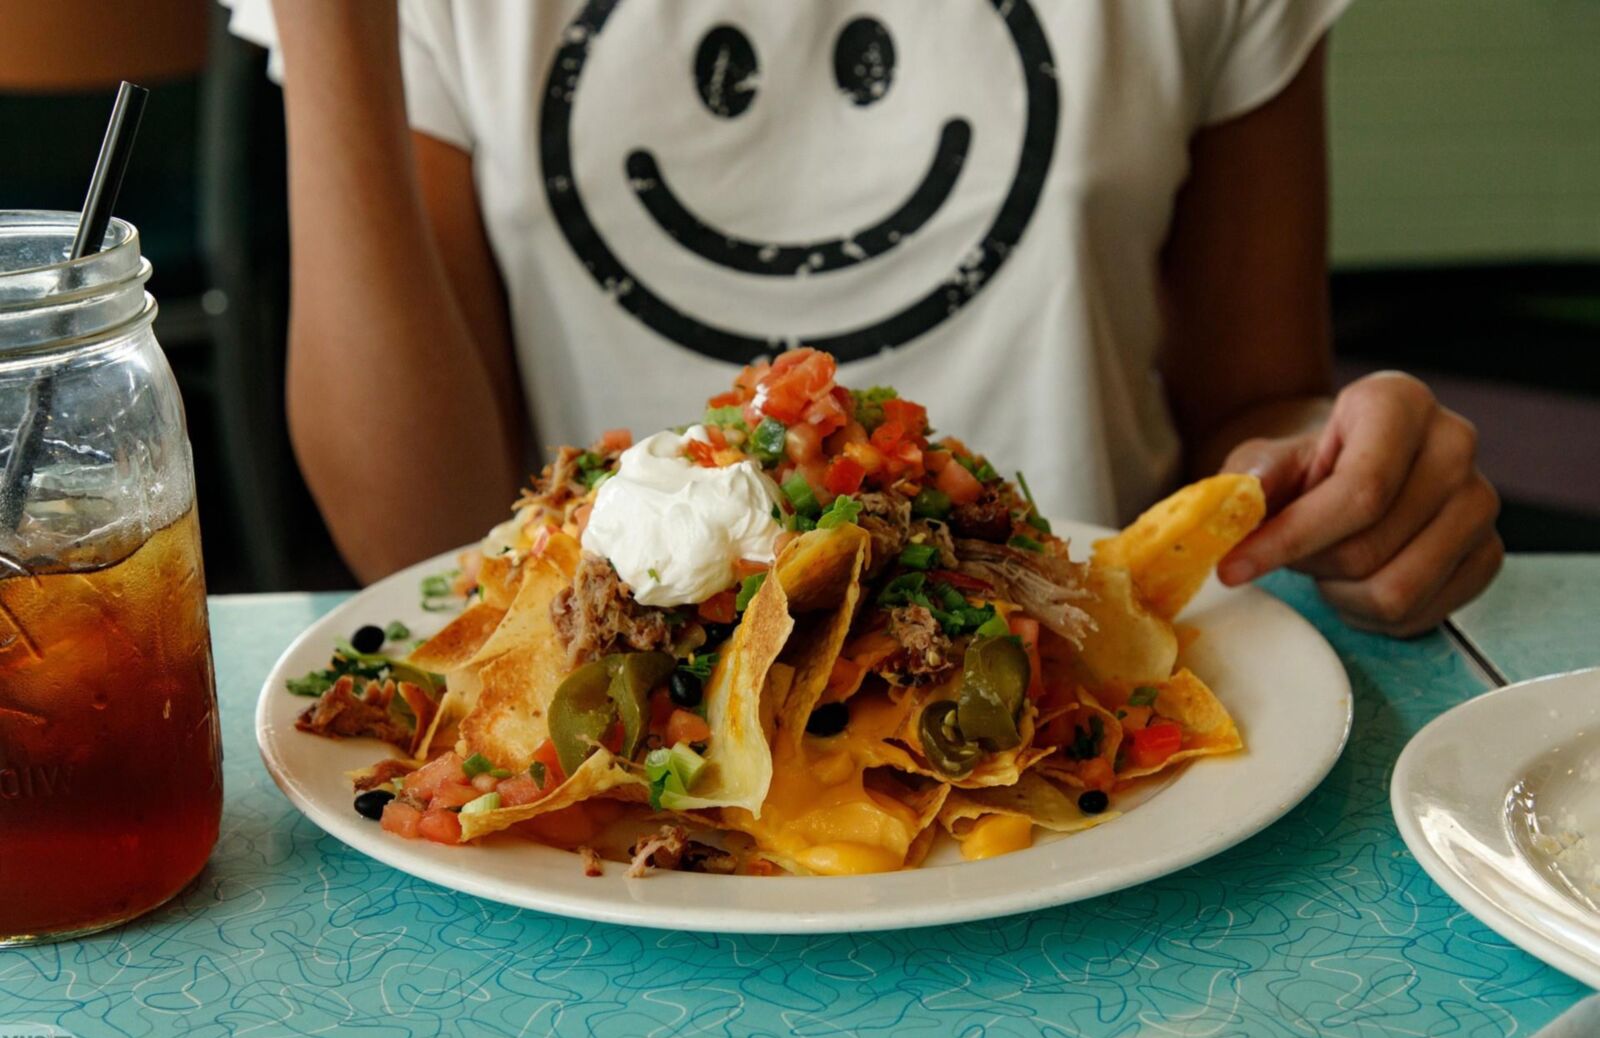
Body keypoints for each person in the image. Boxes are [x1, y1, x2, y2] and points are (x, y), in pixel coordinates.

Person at [229, 0, 1500, 636]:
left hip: (1102, 759)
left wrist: (1345, 473)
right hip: (614, 806)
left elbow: (1254, 400)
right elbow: (420, 544)